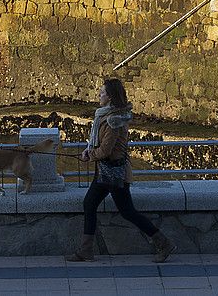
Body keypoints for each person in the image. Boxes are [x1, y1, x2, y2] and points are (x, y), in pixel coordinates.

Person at [66, 78, 176, 263]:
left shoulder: (113, 121)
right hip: (106, 172)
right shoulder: (106, 116)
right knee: (92, 205)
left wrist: (89, 155)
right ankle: (86, 250)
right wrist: (89, 151)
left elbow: (106, 150)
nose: (99, 95)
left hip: (112, 173)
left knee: (126, 211)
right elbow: (99, 145)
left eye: (101, 93)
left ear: (109, 97)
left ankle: (164, 243)